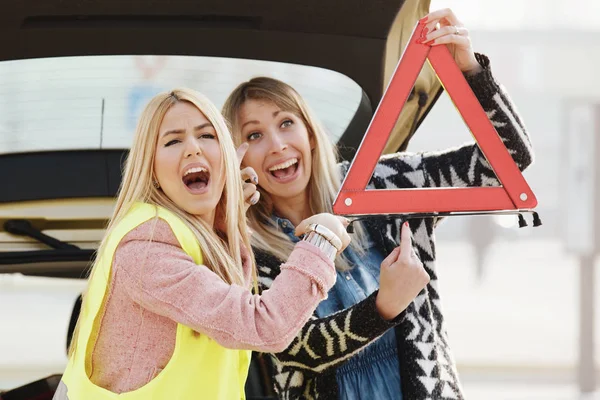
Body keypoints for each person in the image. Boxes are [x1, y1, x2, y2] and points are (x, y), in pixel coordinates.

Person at [222, 8, 535, 400]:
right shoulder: (243, 246)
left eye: (286, 123)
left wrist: (468, 71)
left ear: (310, 132)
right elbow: (298, 347)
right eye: (254, 135)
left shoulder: (380, 183)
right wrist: (385, 305)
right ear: (238, 156)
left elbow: (506, 161)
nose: (277, 144)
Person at [53, 88, 352, 400]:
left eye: (207, 136)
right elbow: (265, 326)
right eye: (173, 141)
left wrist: (225, 218)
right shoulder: (146, 250)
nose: (193, 149)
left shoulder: (196, 237)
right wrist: (322, 241)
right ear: (151, 168)